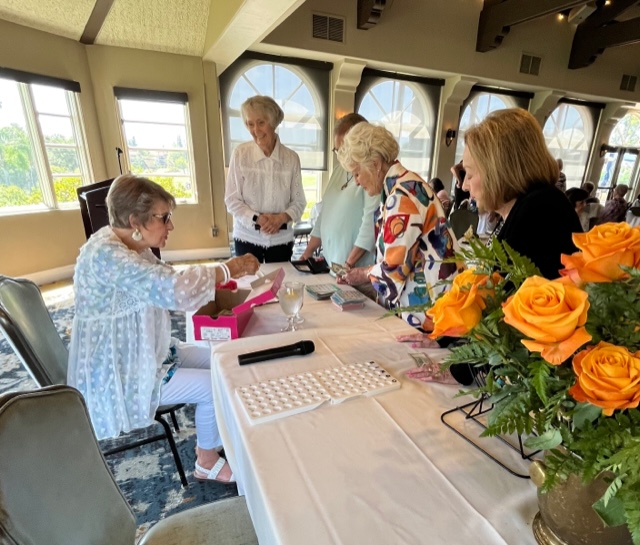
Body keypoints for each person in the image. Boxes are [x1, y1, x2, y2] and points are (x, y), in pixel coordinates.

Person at [67, 174, 260, 483]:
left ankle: (223, 433)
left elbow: (169, 279)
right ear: (135, 221)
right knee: (212, 385)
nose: (170, 225)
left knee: (221, 358)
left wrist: (218, 275)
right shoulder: (106, 256)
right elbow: (175, 290)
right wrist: (229, 268)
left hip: (145, 352)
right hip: (121, 372)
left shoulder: (128, 245)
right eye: (164, 217)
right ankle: (206, 460)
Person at [400, 108, 582, 383]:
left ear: (499, 170)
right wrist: (446, 337)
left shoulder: (538, 211)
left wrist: (458, 370)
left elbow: (507, 316)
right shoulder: (526, 207)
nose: (465, 185)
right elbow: (490, 301)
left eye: (470, 174)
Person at [337, 122, 459, 330]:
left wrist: (363, 274)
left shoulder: (401, 196)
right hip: (435, 305)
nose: (356, 181)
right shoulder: (406, 184)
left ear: (375, 164)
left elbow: (393, 270)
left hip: (429, 314)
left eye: (357, 173)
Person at [225, 95, 306, 262]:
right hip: (247, 238)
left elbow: (299, 202)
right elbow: (232, 200)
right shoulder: (240, 154)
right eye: (250, 124)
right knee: (249, 279)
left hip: (281, 241)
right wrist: (258, 219)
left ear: (273, 122)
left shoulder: (291, 158)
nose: (256, 130)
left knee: (280, 279)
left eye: (261, 123)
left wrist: (280, 218)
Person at [300, 113, 379, 277]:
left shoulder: (371, 175)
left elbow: (370, 225)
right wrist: (308, 252)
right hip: (335, 269)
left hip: (356, 272)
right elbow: (324, 213)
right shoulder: (338, 170)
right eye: (337, 150)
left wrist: (348, 265)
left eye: (344, 150)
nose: (341, 157)